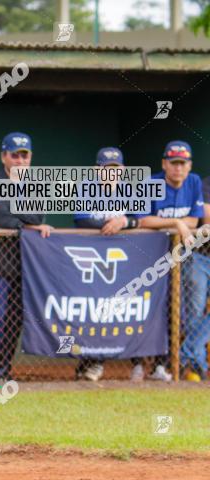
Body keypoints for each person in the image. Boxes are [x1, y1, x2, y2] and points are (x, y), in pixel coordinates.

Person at [0, 132, 53, 382]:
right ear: (4, 156)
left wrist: (19, 218)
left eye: (25, 155)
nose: (20, 161)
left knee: (14, 319)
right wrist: (23, 220)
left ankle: (4, 369)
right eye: (15, 155)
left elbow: (38, 217)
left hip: (24, 263)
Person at [137, 141, 209, 382]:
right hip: (152, 257)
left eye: (183, 163)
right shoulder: (152, 183)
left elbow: (194, 222)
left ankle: (184, 359)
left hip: (182, 257)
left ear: (189, 166)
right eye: (174, 162)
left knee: (190, 314)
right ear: (164, 164)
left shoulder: (193, 182)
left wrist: (178, 223)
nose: (179, 168)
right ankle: (172, 365)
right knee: (161, 310)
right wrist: (177, 223)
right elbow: (142, 221)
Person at [71, 147, 143, 382]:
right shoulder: (85, 188)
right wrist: (111, 224)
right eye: (106, 169)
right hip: (92, 262)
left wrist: (124, 221)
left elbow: (140, 220)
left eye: (116, 169)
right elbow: (82, 220)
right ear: (97, 170)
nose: (111, 173)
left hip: (122, 262)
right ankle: (88, 361)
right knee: (92, 312)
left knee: (125, 310)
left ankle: (135, 362)